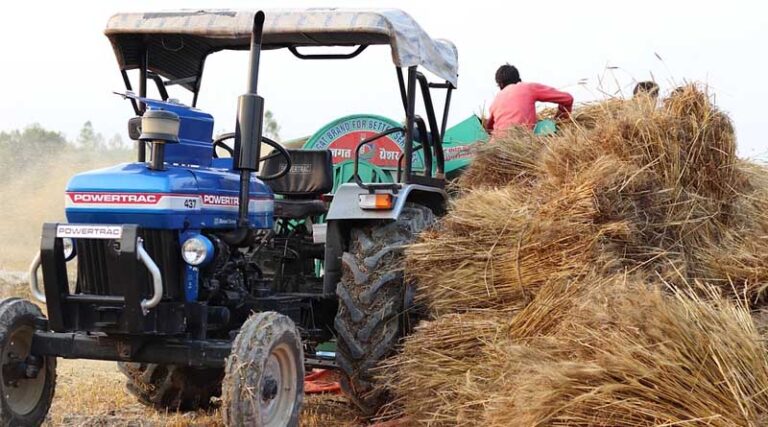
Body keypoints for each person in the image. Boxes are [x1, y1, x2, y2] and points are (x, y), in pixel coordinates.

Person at [485, 64, 573, 135]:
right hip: (523, 142)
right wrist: (560, 120)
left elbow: (488, 128)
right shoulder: (527, 88)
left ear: (500, 85)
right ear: (519, 80)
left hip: (497, 147)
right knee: (545, 126)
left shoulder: (495, 101)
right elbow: (567, 98)